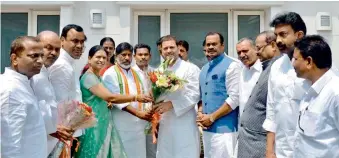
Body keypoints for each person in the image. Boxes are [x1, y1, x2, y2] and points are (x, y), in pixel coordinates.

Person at [75, 45, 153, 158]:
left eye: (104, 58)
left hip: (105, 122)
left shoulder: (98, 77)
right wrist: (136, 98)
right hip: (96, 124)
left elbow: (107, 99)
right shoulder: (91, 77)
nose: (101, 60)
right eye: (98, 57)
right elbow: (111, 97)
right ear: (89, 58)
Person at [263, 12, 309, 158]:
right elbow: (271, 109)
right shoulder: (276, 66)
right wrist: (270, 151)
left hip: (310, 147)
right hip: (282, 147)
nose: (278, 40)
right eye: (276, 35)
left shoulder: (315, 64)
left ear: (299, 35)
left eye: (283, 34)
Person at [102, 42, 154, 158]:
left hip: (139, 126)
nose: (127, 58)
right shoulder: (110, 73)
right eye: (123, 55)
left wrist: (149, 111)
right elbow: (114, 98)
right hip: (121, 124)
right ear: (116, 56)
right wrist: (138, 113)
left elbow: (145, 95)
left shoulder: (137, 73)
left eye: (129, 55)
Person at [153, 35, 201, 158]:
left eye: (172, 47)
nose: (169, 50)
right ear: (161, 51)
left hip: (184, 121)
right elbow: (155, 94)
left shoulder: (190, 68)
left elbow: (194, 94)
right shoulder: (158, 71)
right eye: (165, 48)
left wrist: (171, 104)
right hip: (164, 122)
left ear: (178, 49)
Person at [292, 35, 339, 158]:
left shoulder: (335, 93)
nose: (292, 64)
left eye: (295, 59)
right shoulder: (308, 88)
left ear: (309, 61)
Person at [237, 31, 282, 158]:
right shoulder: (264, 68)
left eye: (259, 48)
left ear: (273, 46)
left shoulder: (275, 70)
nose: (257, 52)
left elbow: (273, 110)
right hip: (247, 140)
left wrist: (270, 149)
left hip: (260, 141)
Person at [1, 36, 47, 158]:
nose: (40, 61)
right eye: (34, 56)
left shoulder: (26, 82)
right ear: (14, 59)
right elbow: (9, 144)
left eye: (42, 56)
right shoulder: (11, 89)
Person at [196, 32, 241, 158]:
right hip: (207, 129)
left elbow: (234, 98)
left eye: (214, 44)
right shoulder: (204, 69)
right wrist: (200, 114)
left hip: (225, 130)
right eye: (208, 44)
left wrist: (212, 117)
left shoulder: (232, 65)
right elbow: (202, 97)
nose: (210, 47)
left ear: (222, 46)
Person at [31, 31, 73, 155]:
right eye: (48, 48)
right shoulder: (31, 74)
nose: (53, 53)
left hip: (49, 142)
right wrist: (54, 129)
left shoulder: (44, 71)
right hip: (35, 143)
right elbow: (30, 110)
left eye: (57, 49)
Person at [48, 24, 87, 156]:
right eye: (75, 41)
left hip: (67, 132)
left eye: (82, 42)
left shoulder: (68, 63)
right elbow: (59, 105)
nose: (80, 45)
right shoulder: (61, 65)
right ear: (62, 40)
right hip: (60, 134)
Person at [132, 43, 156, 158]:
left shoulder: (155, 73)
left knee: (152, 150)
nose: (143, 57)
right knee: (136, 151)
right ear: (134, 56)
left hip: (152, 117)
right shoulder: (129, 73)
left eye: (146, 54)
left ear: (150, 56)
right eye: (140, 54)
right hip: (135, 117)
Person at [236, 37, 262, 117]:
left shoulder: (264, 69)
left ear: (255, 49)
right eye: (239, 53)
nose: (242, 55)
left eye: (245, 51)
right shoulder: (241, 70)